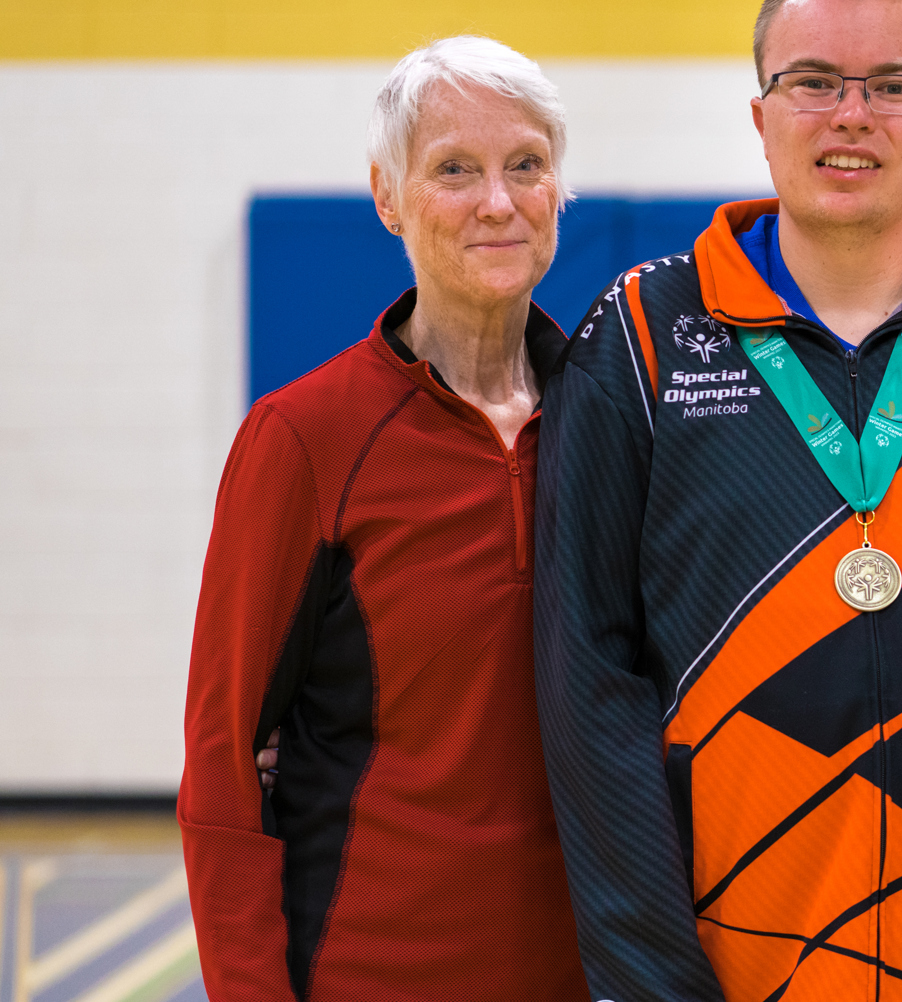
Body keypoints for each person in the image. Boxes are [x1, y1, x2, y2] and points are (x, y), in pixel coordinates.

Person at [532, 0, 902, 1000]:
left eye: (894, 85)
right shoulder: (641, 333)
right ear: (760, 115)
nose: (851, 114)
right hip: (724, 967)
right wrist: (654, 984)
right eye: (812, 81)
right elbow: (587, 684)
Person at [178, 36, 585, 1000]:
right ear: (387, 196)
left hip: (588, 973)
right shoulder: (304, 438)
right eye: (454, 169)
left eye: (526, 165)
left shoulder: (617, 419)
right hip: (371, 972)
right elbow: (223, 761)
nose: (498, 201)